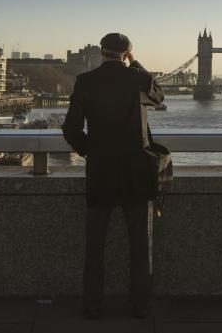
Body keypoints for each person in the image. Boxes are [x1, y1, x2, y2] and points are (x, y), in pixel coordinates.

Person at [62, 33, 164, 320]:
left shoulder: (85, 81)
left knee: (95, 245)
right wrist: (138, 65)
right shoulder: (138, 80)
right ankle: (141, 305)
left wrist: (91, 152)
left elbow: (70, 129)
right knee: (139, 245)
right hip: (136, 172)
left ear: (101, 52)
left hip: (100, 171)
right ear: (127, 53)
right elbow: (159, 95)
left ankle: (92, 304)